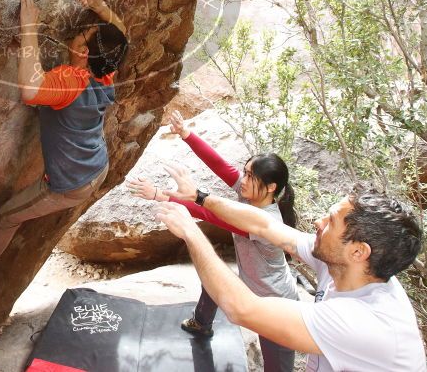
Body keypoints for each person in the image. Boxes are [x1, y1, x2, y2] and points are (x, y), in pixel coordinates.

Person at [0, 0, 128, 262]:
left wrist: (28, 28)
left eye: (85, 34)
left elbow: (31, 90)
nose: (81, 32)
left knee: (8, 215)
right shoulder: (105, 69)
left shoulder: (70, 80)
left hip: (69, 185)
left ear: (83, 53)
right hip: (96, 165)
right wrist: (99, 6)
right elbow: (120, 32)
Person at [156, 184, 426, 371]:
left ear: (358, 251)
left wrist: (191, 233)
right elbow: (265, 224)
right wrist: (200, 197)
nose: (319, 223)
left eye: (331, 221)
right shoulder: (348, 266)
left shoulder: (365, 323)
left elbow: (242, 309)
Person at [127, 110, 299, 372]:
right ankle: (201, 322)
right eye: (246, 172)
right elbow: (220, 165)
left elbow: (211, 215)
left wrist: (160, 194)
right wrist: (186, 134)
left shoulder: (266, 221)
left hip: (275, 302)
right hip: (252, 281)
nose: (243, 179)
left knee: (277, 364)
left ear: (271, 187)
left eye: (250, 176)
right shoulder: (251, 193)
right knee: (215, 277)